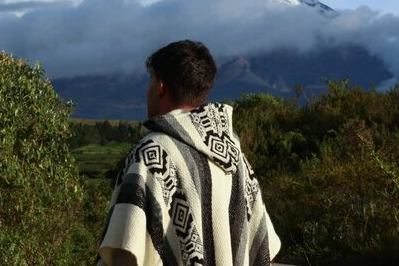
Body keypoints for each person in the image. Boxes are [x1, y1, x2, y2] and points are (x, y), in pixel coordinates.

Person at [97, 40, 281, 266]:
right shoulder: (233, 155)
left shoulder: (153, 152)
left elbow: (125, 251)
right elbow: (263, 247)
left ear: (160, 86)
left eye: (151, 82)